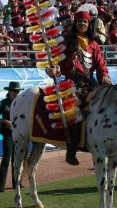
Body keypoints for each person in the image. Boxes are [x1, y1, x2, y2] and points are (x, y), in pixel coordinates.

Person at [46, 11, 112, 165]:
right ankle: (71, 149)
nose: (82, 24)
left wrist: (104, 76)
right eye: (79, 22)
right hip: (71, 85)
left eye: (85, 22)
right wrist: (53, 69)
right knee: (73, 112)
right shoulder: (67, 43)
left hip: (90, 84)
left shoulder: (93, 45)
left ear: (89, 25)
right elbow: (58, 64)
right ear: (75, 24)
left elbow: (101, 64)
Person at [0, 81, 23, 193]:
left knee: (17, 159)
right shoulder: (3, 103)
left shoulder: (21, 102)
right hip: (8, 134)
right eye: (14, 91)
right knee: (6, 158)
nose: (16, 93)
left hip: (19, 134)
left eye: (18, 91)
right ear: (9, 91)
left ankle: (17, 183)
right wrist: (4, 121)